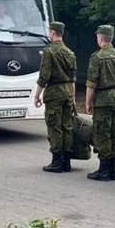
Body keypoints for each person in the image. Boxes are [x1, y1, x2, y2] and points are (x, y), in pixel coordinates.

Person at [85, 25, 115, 181]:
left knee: (102, 134)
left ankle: (103, 171)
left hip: (103, 100)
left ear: (100, 37)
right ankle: (113, 170)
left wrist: (88, 102)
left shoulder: (97, 57)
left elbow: (91, 83)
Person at [35, 21, 77, 173]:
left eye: (49, 32)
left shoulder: (49, 51)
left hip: (54, 92)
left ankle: (57, 161)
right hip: (68, 91)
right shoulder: (70, 52)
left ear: (53, 33)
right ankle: (67, 161)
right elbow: (73, 78)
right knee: (67, 126)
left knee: (54, 126)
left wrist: (37, 95)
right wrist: (72, 97)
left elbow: (44, 76)